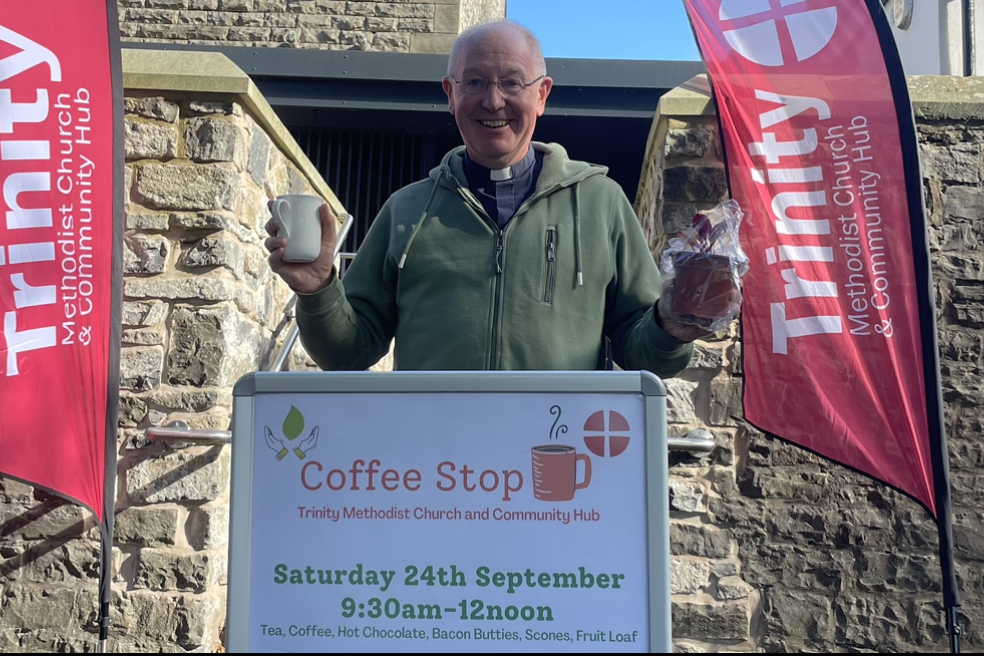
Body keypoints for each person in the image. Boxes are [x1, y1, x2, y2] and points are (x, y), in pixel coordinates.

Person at [266, 20, 731, 376]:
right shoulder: (405, 210)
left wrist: (672, 328)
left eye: (512, 82)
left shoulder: (602, 204)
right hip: (432, 468)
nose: (492, 101)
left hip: (557, 458)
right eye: (473, 83)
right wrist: (318, 289)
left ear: (542, 94)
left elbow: (641, 351)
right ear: (450, 94)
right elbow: (348, 352)